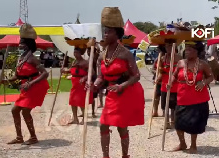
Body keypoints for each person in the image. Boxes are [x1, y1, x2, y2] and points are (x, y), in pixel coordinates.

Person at [88, 7, 145, 158]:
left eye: (109, 31)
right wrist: (94, 85)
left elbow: (136, 76)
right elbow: (101, 77)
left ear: (117, 33)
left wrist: (121, 86)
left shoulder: (125, 53)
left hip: (126, 92)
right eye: (105, 31)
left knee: (121, 126)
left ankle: (125, 155)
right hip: (112, 95)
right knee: (103, 125)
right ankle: (105, 156)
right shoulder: (101, 56)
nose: (106, 34)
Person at [3, 24, 49, 145]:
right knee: (14, 110)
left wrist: (31, 83)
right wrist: (6, 81)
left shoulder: (33, 59)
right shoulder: (21, 59)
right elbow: (17, 76)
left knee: (25, 111)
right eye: (20, 42)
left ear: (28, 44)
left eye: (22, 42)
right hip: (25, 87)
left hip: (36, 86)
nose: (20, 45)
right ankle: (19, 137)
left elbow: (45, 74)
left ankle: (33, 137)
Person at [170, 40, 213, 153]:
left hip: (198, 98)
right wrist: (170, 82)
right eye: (186, 49)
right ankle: (182, 143)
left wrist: (203, 82)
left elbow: (210, 77)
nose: (187, 51)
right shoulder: (180, 63)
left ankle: (193, 146)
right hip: (182, 97)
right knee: (178, 122)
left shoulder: (203, 64)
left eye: (190, 49)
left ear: (197, 52)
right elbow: (174, 76)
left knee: (194, 123)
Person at [62, 47, 93, 125]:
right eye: (74, 52)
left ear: (80, 53)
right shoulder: (74, 62)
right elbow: (72, 70)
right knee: (72, 102)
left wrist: (85, 77)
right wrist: (65, 70)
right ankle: (75, 119)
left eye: (77, 53)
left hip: (82, 85)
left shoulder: (85, 62)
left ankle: (84, 119)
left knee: (81, 102)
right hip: (75, 84)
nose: (75, 54)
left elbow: (92, 72)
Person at [158, 39, 182, 128]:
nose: (168, 48)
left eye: (170, 46)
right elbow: (160, 72)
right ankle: (166, 123)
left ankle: (174, 122)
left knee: (174, 106)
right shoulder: (162, 58)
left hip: (175, 85)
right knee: (165, 106)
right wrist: (158, 78)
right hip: (165, 85)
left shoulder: (179, 58)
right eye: (167, 46)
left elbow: (182, 71)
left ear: (174, 47)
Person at [151, 44, 166, 117]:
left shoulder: (167, 59)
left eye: (159, 50)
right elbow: (152, 68)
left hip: (165, 81)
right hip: (157, 80)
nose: (158, 52)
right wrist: (156, 72)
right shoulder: (157, 59)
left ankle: (164, 112)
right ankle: (155, 111)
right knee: (156, 96)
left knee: (164, 97)